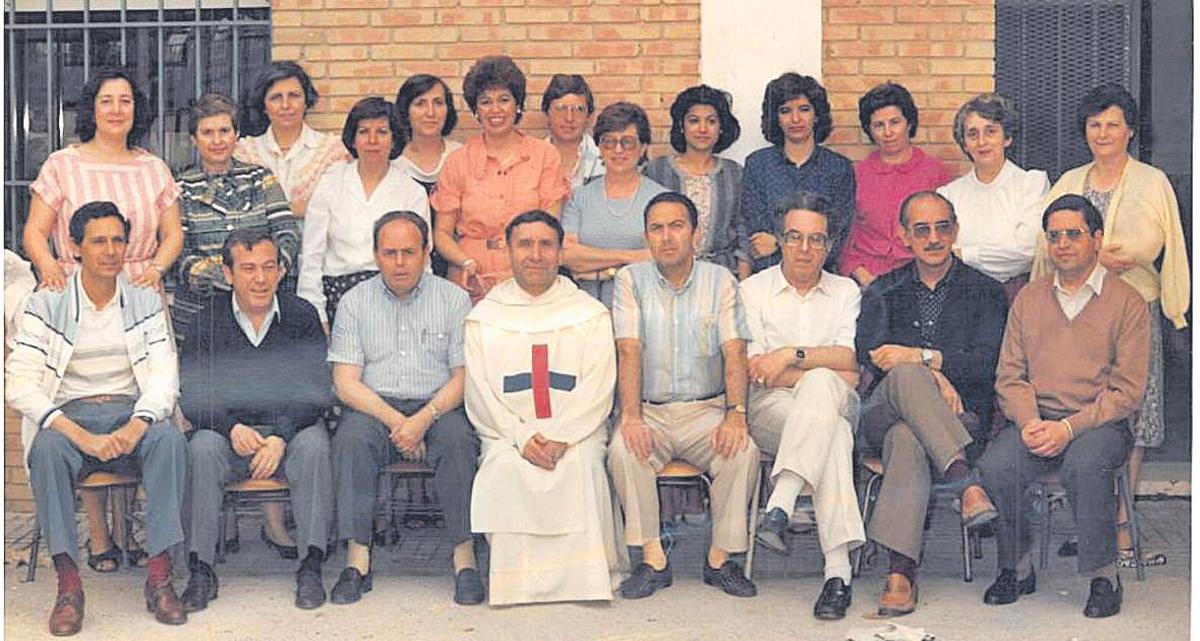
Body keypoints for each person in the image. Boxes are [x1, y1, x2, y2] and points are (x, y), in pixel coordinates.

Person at [24, 67, 183, 574]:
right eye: (108, 100)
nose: (117, 109)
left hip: (136, 291)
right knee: (79, 390)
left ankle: (140, 530)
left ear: (137, 110)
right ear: (91, 107)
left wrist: (154, 270)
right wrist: (50, 267)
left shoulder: (152, 166)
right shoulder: (62, 164)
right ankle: (97, 536)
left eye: (127, 101)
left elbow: (172, 232)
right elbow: (35, 231)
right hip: (74, 287)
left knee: (144, 400)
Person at [7, 202, 189, 634]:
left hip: (130, 412)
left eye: (118, 240)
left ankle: (159, 578)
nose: (111, 251)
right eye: (99, 241)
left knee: (169, 441)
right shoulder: (45, 304)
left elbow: (166, 375)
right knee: (47, 448)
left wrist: (139, 422)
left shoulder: (144, 300)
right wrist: (79, 435)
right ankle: (69, 586)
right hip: (71, 418)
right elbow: (19, 384)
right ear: (75, 247)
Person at [1033, 84, 1189, 565]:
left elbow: (1158, 244)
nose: (1103, 133)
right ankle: (1092, 525)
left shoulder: (1152, 180)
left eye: (1113, 124)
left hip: (1132, 314)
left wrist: (1172, 302)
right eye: (1095, 124)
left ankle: (1120, 532)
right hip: (1074, 316)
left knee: (1134, 422)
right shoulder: (1069, 181)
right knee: (1081, 412)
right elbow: (1046, 246)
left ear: (1130, 131)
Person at [979, 195, 1150, 618]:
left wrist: (1069, 429)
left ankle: (1103, 577)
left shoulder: (1127, 302)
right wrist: (1031, 421)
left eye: (1074, 234)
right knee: (999, 463)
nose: (1063, 244)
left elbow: (1127, 391)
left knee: (1084, 464)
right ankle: (1016, 569)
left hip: (1099, 424)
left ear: (1097, 239)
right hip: (1037, 418)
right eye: (1054, 236)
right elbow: (1010, 376)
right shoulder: (1029, 299)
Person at [855, 191, 1008, 617]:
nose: (934, 237)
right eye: (922, 229)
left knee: (910, 436)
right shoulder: (885, 290)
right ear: (905, 236)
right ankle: (965, 483)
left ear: (955, 231)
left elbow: (988, 362)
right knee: (905, 377)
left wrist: (923, 358)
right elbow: (871, 354)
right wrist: (929, 372)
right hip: (881, 415)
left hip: (961, 419)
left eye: (943, 227)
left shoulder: (986, 291)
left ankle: (900, 575)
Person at [465, 210, 627, 605]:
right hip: (508, 434)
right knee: (504, 465)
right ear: (508, 251)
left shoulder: (588, 313)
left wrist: (561, 436)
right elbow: (480, 392)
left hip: (576, 432)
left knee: (581, 464)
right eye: (524, 244)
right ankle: (517, 582)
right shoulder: (485, 316)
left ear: (559, 252)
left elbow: (598, 386)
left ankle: (586, 578)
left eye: (545, 245)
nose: (535, 254)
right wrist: (521, 436)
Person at [608, 192, 760, 600]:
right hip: (650, 410)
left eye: (677, 226)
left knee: (741, 451)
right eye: (656, 228)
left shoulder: (720, 281)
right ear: (646, 236)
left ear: (694, 232)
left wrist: (735, 413)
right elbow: (629, 348)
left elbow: (734, 351)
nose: (667, 236)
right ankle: (653, 559)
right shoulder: (630, 280)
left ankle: (719, 559)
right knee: (624, 450)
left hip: (706, 408)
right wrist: (632, 416)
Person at [327, 211, 481, 606]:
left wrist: (424, 417)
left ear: (426, 253)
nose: (399, 262)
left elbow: (463, 377)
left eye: (408, 252)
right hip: (377, 407)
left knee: (459, 440)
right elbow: (345, 382)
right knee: (351, 440)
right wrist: (399, 422)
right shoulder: (353, 302)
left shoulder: (453, 298)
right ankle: (357, 561)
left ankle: (465, 561)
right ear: (375, 255)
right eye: (389, 252)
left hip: (439, 404)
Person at [178, 229, 333, 612]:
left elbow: (316, 389)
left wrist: (281, 435)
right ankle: (200, 569)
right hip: (229, 432)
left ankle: (310, 565)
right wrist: (231, 428)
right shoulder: (206, 322)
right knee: (200, 448)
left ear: (282, 270)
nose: (260, 279)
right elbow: (195, 394)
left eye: (269, 267)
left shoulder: (301, 316)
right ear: (228, 274)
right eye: (248, 269)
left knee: (315, 445)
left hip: (288, 430)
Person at [742, 192, 865, 620]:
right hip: (771, 409)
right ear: (780, 240)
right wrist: (820, 365)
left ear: (829, 246)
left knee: (823, 389)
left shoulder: (846, 291)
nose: (805, 249)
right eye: (795, 238)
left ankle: (782, 500)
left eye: (816, 239)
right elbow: (759, 372)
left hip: (834, 401)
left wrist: (791, 355)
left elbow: (851, 366)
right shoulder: (752, 290)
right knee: (833, 432)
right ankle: (837, 573)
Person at [431, 55, 569, 303]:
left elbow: (551, 225)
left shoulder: (544, 155)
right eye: (486, 101)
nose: (495, 110)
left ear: (517, 104)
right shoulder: (458, 161)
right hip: (471, 276)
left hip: (529, 270)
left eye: (504, 100)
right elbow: (441, 233)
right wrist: (465, 262)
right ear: (476, 109)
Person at [173, 92, 300, 337]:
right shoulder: (180, 187)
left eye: (224, 131)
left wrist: (266, 274)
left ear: (236, 135)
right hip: (201, 313)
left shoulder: (261, 178)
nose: (217, 140)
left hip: (263, 309)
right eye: (207, 133)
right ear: (194, 139)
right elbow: (179, 252)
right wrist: (230, 279)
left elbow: (287, 234)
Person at [299, 96, 430, 330]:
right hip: (339, 296)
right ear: (352, 138)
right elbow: (311, 256)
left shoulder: (412, 191)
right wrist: (317, 314)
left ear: (394, 139)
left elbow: (422, 259)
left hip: (396, 297)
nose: (372, 140)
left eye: (382, 132)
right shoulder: (330, 183)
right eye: (363, 132)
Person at [839, 83, 954, 287]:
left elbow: (946, 234)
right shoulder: (857, 174)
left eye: (895, 122)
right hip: (867, 280)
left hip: (921, 279)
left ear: (909, 123)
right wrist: (865, 279)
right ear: (869, 130)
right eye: (879, 125)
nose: (888, 132)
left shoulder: (934, 172)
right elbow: (846, 238)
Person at [937, 93, 1049, 300]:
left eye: (990, 131)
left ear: (1007, 138)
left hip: (1016, 296)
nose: (982, 142)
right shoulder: (948, 195)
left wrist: (964, 254)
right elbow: (940, 254)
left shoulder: (1031, 184)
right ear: (964, 143)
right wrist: (1001, 250)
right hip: (961, 298)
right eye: (972, 134)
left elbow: (1028, 250)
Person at [741, 73, 855, 274]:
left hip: (821, 277)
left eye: (804, 109)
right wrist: (807, 242)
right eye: (785, 111)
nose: (795, 119)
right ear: (776, 118)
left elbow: (836, 239)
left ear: (817, 114)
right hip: (769, 277)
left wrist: (777, 243)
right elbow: (758, 239)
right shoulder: (758, 165)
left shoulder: (839, 168)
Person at [561, 102, 666, 306]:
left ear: (643, 147)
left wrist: (596, 270)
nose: (618, 150)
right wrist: (633, 257)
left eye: (627, 142)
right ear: (599, 147)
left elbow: (663, 259)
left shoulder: (660, 200)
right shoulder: (580, 197)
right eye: (609, 142)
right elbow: (567, 256)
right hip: (587, 308)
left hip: (646, 304)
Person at [645, 85, 749, 278]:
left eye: (711, 121)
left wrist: (743, 279)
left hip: (721, 275)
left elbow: (742, 230)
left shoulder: (734, 173)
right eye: (694, 121)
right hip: (667, 274)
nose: (702, 129)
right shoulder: (657, 171)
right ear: (682, 126)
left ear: (721, 127)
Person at [235, 60, 350, 218]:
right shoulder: (244, 152)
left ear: (306, 101)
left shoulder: (332, 151)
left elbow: (334, 206)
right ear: (263, 106)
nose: (285, 105)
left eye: (294, 96)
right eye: (276, 97)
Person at [394, 74, 463, 277]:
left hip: (459, 264)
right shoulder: (392, 163)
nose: (430, 112)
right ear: (406, 110)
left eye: (438, 103)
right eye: (420, 103)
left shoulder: (461, 156)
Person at [542, 73, 605, 189]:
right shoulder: (533, 160)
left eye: (578, 109)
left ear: (589, 116)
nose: (569, 118)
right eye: (561, 109)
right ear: (547, 112)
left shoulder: (604, 160)